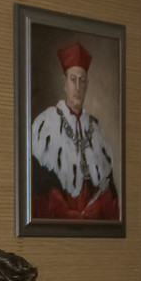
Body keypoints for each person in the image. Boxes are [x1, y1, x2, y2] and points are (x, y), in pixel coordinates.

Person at [29, 41, 118, 221]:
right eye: (73, 79)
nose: (77, 87)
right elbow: (39, 185)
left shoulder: (96, 129)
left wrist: (99, 205)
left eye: (82, 81)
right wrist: (62, 210)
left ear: (87, 85)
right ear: (64, 83)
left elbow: (108, 187)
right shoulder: (46, 124)